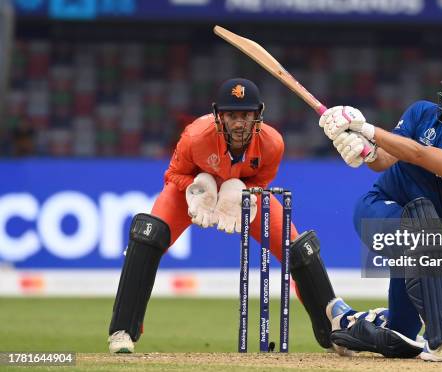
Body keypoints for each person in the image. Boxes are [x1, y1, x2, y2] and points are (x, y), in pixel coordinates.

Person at [108, 78, 338, 353]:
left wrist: (242, 190)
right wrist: (198, 188)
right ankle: (122, 332)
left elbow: (261, 182)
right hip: (193, 192)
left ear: (258, 115)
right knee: (148, 235)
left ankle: (334, 334)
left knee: (301, 251)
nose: (239, 123)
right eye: (232, 115)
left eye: (246, 115)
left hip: (241, 196)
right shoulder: (195, 135)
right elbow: (173, 174)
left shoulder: (272, 143)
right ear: (219, 115)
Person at [318, 66, 442, 362]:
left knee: (401, 336)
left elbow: (420, 155)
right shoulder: (422, 113)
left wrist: (368, 130)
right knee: (423, 226)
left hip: (420, 239)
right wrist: (366, 152)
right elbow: (385, 161)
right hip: (377, 208)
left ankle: (350, 322)